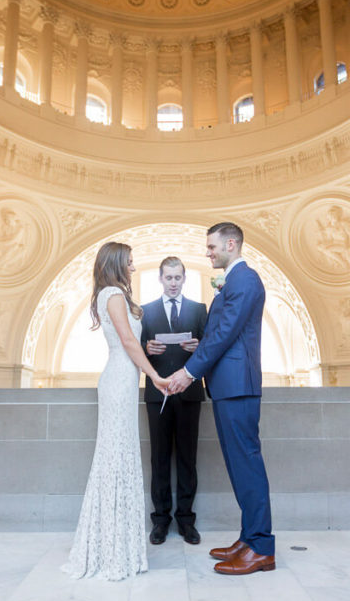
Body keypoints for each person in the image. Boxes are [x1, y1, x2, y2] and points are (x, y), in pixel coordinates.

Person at [168, 222, 274, 575]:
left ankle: (261, 547)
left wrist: (189, 371)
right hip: (228, 385)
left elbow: (226, 332)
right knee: (239, 466)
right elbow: (224, 333)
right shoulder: (234, 280)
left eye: (212, 247)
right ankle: (248, 538)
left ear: (232, 243)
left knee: (247, 465)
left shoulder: (245, 279)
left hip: (238, 386)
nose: (208, 252)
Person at [64, 242, 170, 580]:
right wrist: (154, 375)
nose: (134, 267)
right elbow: (126, 341)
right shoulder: (113, 294)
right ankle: (111, 548)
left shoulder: (109, 294)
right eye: (130, 262)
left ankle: (116, 544)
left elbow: (129, 341)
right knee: (114, 456)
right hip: (119, 380)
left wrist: (145, 358)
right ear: (117, 263)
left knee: (119, 455)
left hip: (122, 379)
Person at [141, 256, 207, 546]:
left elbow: (211, 349)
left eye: (177, 278)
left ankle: (186, 520)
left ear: (184, 278)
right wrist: (147, 348)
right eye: (168, 278)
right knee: (159, 459)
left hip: (190, 394)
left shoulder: (198, 309)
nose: (173, 283)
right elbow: (136, 352)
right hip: (158, 394)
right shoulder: (145, 311)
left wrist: (199, 346)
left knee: (187, 459)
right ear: (160, 279)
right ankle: (160, 521)